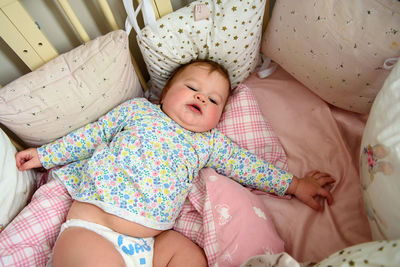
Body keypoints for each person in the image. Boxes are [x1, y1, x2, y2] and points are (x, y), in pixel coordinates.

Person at [16, 59, 335, 267]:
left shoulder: (209, 143)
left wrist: (294, 184)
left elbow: (246, 166)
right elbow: (92, 134)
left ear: (219, 117)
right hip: (95, 228)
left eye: (213, 100)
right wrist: (46, 155)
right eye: (193, 88)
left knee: (192, 258)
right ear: (164, 94)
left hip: (155, 243)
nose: (201, 98)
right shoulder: (138, 112)